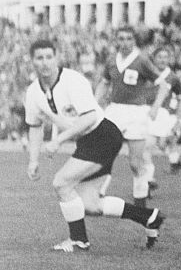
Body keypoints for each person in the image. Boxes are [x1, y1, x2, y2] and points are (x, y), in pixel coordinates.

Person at [24, 38, 165, 252]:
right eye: (39, 58)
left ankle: (79, 240)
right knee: (90, 205)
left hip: (103, 135)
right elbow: (34, 126)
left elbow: (89, 118)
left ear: (57, 58)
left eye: (49, 57)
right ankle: (149, 217)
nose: (44, 62)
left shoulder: (73, 80)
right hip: (89, 141)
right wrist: (33, 160)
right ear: (32, 61)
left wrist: (58, 140)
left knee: (61, 183)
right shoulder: (33, 92)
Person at [95, 26, 169, 206]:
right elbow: (104, 84)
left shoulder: (142, 60)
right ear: (116, 41)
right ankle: (98, 193)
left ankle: (140, 200)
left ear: (134, 41)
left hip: (136, 112)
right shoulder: (112, 60)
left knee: (135, 162)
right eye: (121, 38)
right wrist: (95, 104)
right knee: (103, 153)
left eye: (129, 38)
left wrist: (155, 107)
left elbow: (163, 85)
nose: (125, 42)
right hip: (115, 110)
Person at [150, 46, 181, 175]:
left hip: (165, 114)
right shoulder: (149, 73)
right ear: (154, 58)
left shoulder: (173, 77)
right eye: (159, 57)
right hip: (150, 112)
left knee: (161, 142)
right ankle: (174, 162)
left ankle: (149, 177)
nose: (162, 60)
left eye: (165, 57)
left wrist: (178, 117)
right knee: (158, 144)